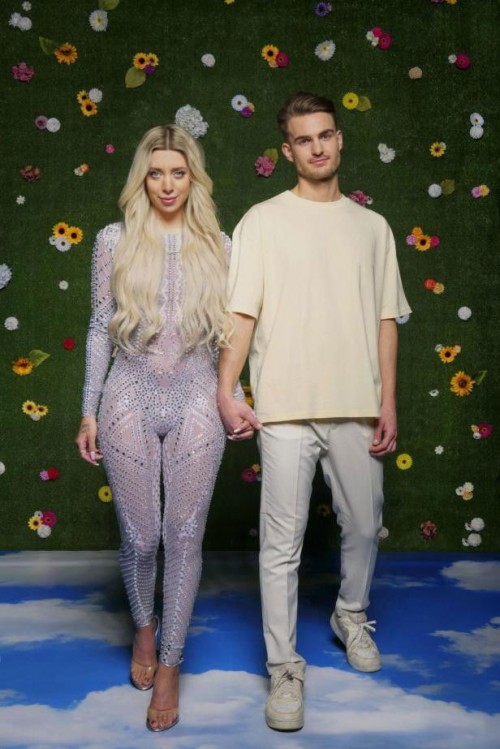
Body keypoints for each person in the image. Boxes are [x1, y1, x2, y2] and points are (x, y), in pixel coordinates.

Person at [217, 92, 411, 732]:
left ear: (340, 139)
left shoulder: (372, 227)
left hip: (356, 403)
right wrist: (227, 390)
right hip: (283, 408)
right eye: (304, 139)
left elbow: (386, 320)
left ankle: (350, 614)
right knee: (282, 544)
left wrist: (387, 400)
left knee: (365, 525)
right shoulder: (261, 222)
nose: (317, 147)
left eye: (325, 134)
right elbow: (241, 314)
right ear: (287, 151)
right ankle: (284, 668)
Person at [75, 125, 250, 732]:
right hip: (128, 394)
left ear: (193, 178)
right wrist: (88, 410)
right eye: (156, 173)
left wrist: (234, 396)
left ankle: (171, 665)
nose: (168, 185)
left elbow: (233, 333)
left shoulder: (220, 244)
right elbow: (99, 327)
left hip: (197, 396)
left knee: (185, 534)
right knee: (141, 536)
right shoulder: (113, 240)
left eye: (179, 173)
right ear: (142, 179)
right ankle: (143, 629)